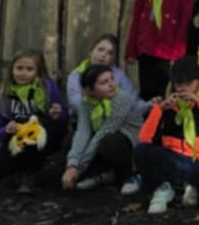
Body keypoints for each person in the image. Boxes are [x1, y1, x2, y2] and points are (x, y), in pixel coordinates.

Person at [133, 55, 199, 213]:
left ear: (197, 81)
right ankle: (165, 187)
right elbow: (145, 138)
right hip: (174, 159)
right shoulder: (168, 104)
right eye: (179, 84)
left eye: (188, 83)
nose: (182, 88)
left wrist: (198, 102)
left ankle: (188, 186)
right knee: (141, 151)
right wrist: (159, 110)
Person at [60, 62, 148, 194]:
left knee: (110, 142)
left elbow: (104, 132)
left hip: (129, 145)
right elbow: (83, 132)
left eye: (112, 79)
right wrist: (72, 164)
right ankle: (101, 173)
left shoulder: (121, 98)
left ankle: (130, 176)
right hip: (102, 140)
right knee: (71, 138)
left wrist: (79, 168)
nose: (112, 84)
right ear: (89, 90)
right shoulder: (85, 103)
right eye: (104, 82)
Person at [0, 50, 68, 194]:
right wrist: (6, 130)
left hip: (43, 136)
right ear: (12, 70)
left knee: (35, 129)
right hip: (17, 139)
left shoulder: (47, 89)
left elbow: (64, 117)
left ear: (38, 72)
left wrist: (56, 114)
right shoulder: (4, 96)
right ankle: (19, 169)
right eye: (19, 68)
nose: (23, 73)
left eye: (29, 69)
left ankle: (30, 174)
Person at [64, 33, 135, 117]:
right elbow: (76, 104)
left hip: (117, 118)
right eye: (100, 50)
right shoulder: (76, 75)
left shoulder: (119, 75)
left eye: (110, 53)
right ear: (90, 52)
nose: (104, 55)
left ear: (113, 59)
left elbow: (133, 100)